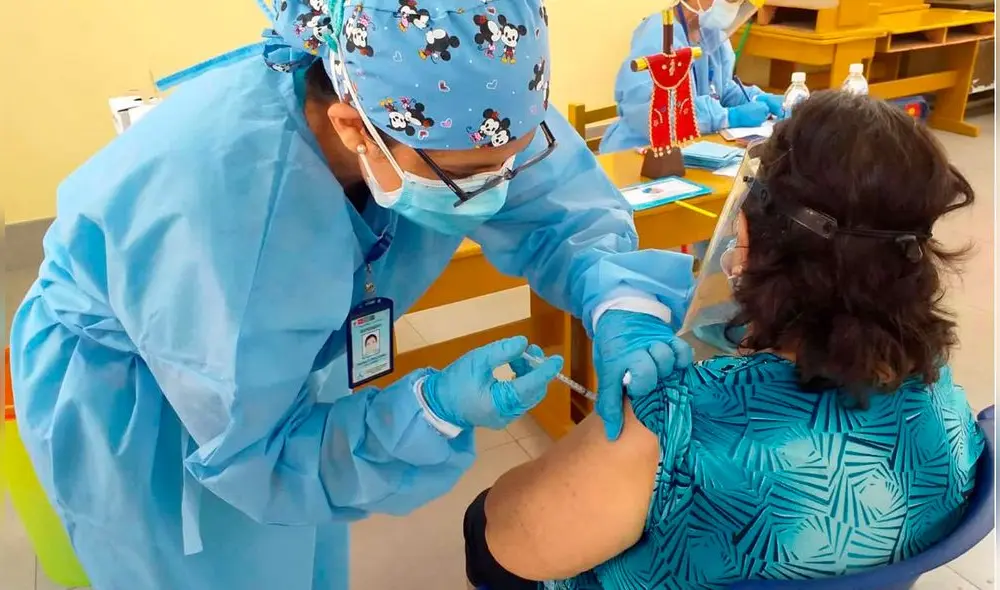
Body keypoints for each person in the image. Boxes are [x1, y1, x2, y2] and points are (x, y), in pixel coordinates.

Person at [8, 1, 696, 589]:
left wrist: (623, 307)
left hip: (267, 342)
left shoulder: (470, 97)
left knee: (306, 541)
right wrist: (434, 409)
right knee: (218, 559)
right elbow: (261, 455)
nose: (503, 187)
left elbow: (562, 210)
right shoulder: (227, 216)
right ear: (352, 127)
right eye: (472, 176)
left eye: (514, 158)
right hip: (143, 393)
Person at [464, 91, 985, 589]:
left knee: (479, 521)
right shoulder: (934, 379)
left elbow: (509, 541)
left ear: (750, 236)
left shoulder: (676, 417)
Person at [600, 0, 785, 153]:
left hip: (689, 149)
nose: (734, 7)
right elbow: (657, 114)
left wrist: (756, 97)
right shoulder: (659, 35)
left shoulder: (710, 33)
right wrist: (728, 116)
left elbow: (720, 88)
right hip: (638, 153)